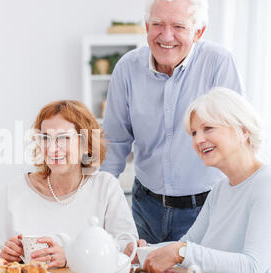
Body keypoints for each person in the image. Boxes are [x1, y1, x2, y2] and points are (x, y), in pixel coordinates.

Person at [100, 0, 244, 244]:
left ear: (198, 32)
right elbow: (115, 142)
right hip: (145, 207)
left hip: (205, 209)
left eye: (178, 26)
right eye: (158, 24)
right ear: (146, 26)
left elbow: (235, 140)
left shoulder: (218, 63)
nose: (166, 36)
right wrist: (98, 199)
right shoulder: (127, 68)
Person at [0, 100, 139, 268]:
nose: (52, 149)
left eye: (63, 138)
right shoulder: (14, 191)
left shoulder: (105, 187)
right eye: (45, 138)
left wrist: (70, 258)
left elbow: (126, 252)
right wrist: (4, 257)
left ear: (87, 144)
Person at [142, 87, 271, 273]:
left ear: (243, 130)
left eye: (208, 128)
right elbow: (190, 243)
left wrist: (181, 252)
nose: (197, 140)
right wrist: (144, 251)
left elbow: (252, 268)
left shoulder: (266, 184)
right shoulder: (220, 189)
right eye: (193, 133)